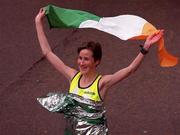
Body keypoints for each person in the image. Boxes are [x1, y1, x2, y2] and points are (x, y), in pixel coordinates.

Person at [35, 8, 164, 135]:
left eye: (86, 59)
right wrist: (38, 23)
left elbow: (130, 70)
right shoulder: (72, 76)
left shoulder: (102, 83)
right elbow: (47, 52)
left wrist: (145, 47)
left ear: (96, 61)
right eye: (80, 58)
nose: (81, 62)